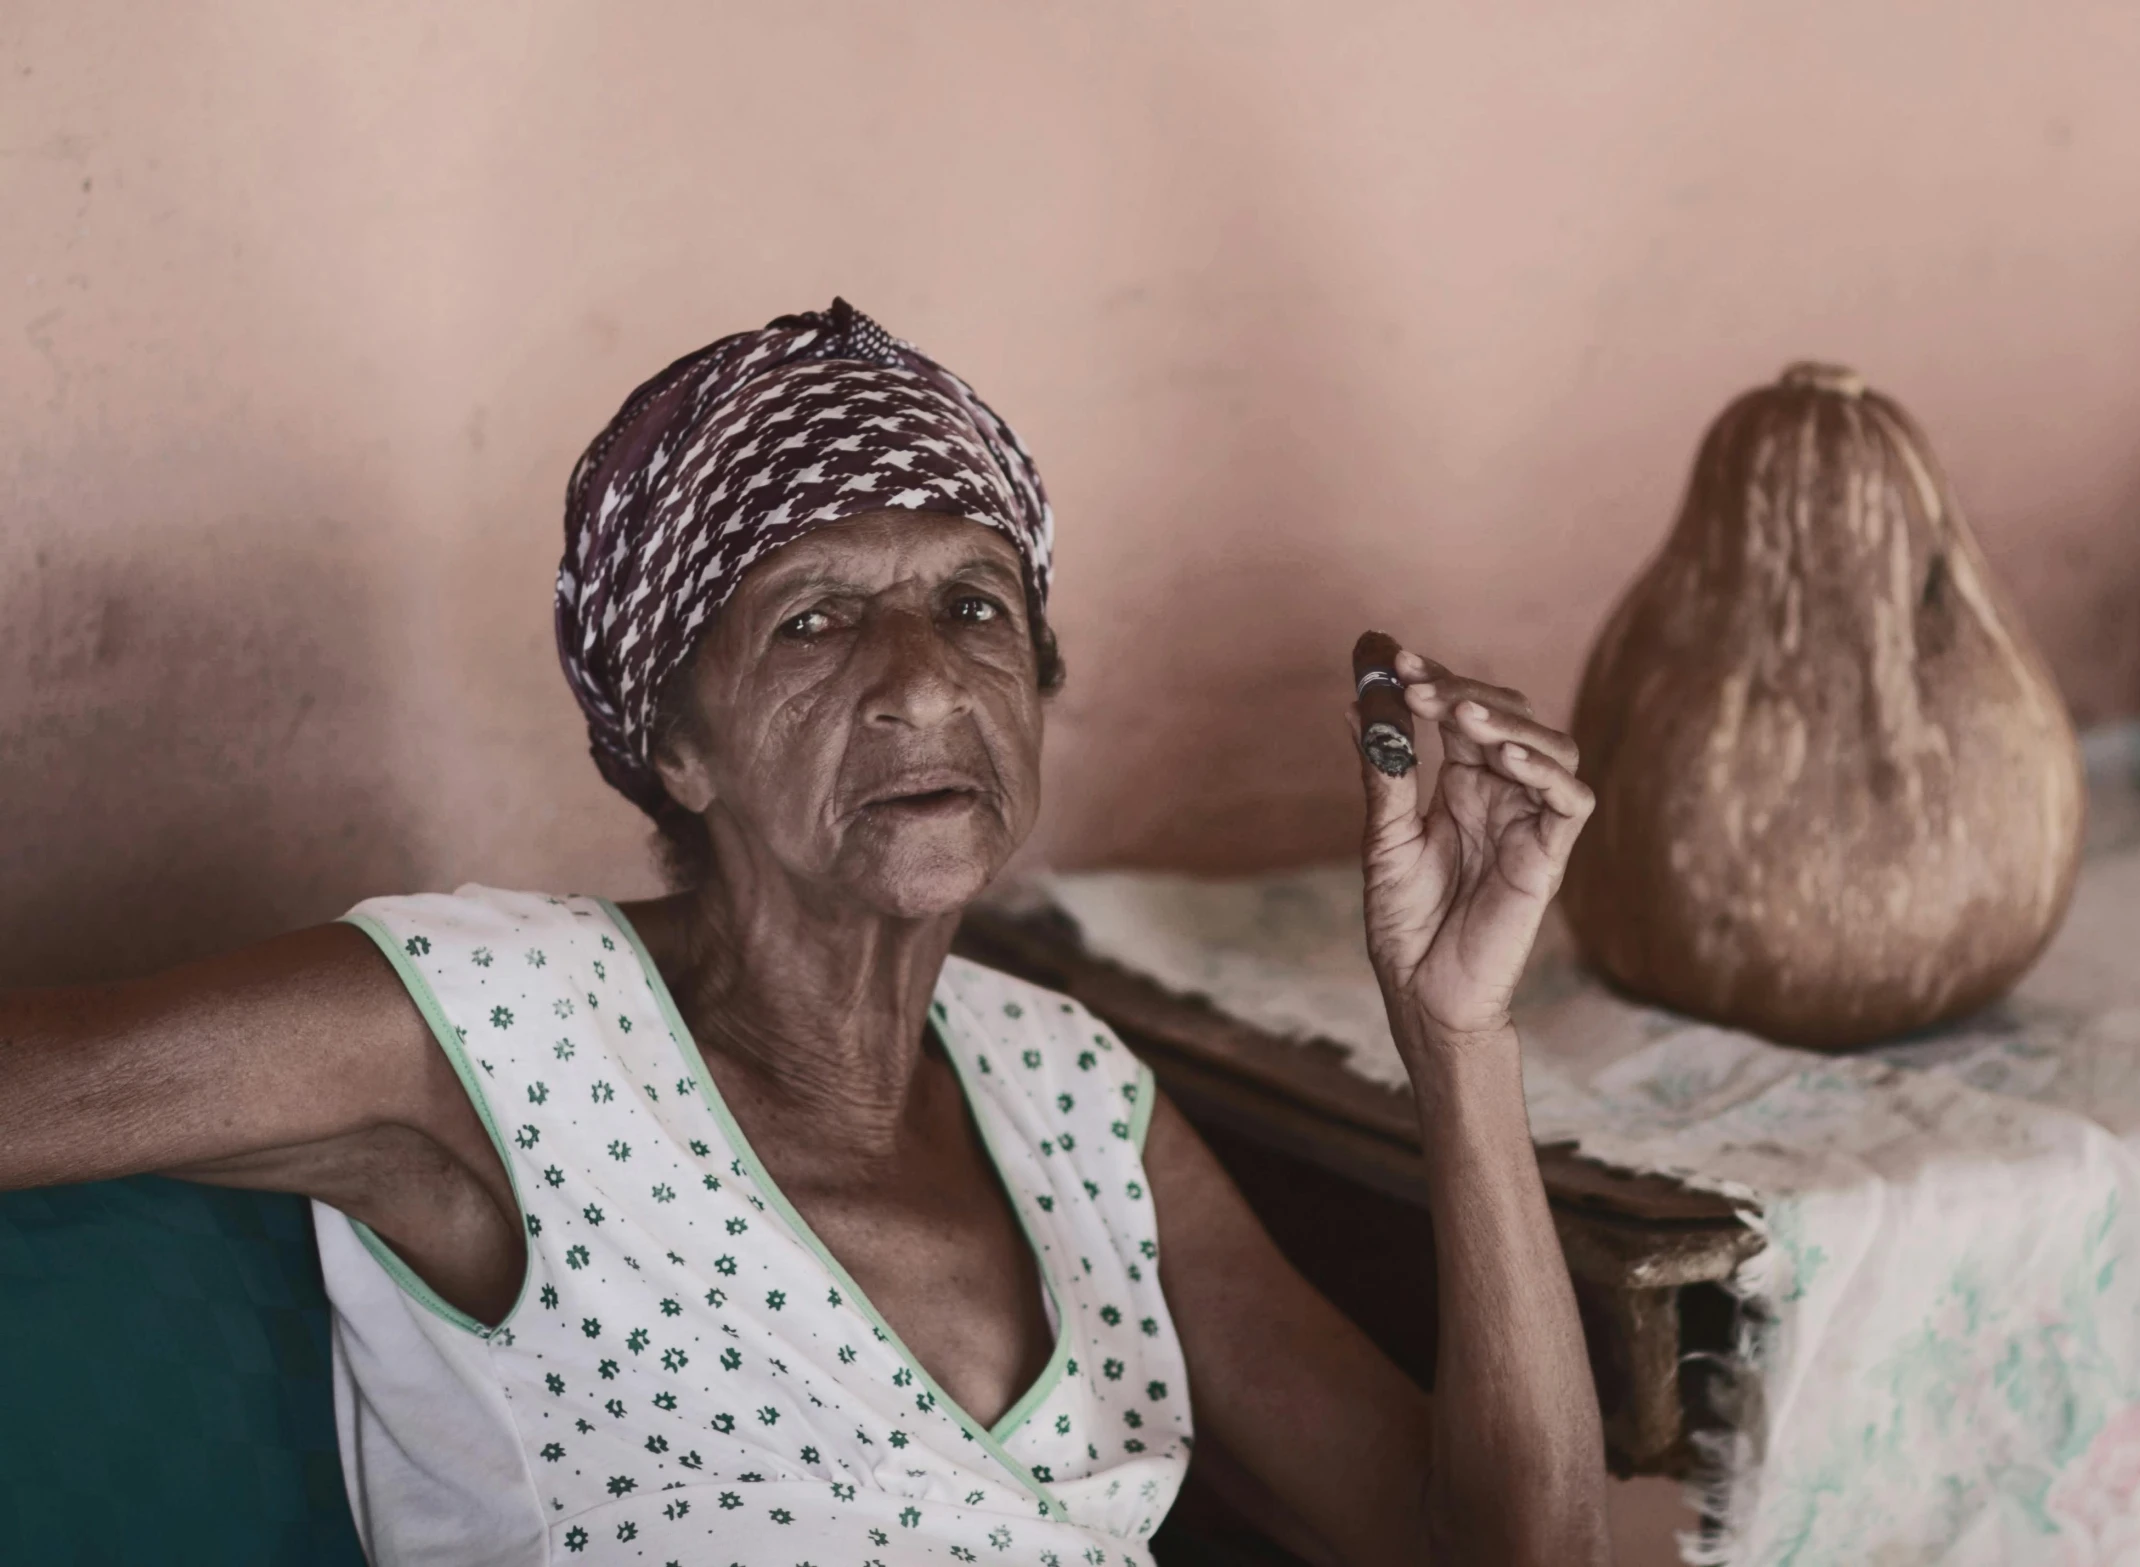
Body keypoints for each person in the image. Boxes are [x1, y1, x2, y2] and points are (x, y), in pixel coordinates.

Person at [0, 301, 1607, 1566]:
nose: (919, 681)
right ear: (673, 748)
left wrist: (1455, 1038)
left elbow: (1501, 1554)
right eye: (814, 619)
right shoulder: (494, 1027)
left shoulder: (1070, 1091)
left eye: (973, 604)